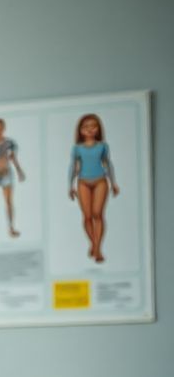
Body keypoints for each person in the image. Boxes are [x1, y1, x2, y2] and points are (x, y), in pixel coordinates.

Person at [68, 113, 119, 264]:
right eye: (86, 126)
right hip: (83, 182)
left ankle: (97, 249)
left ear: (98, 129)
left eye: (93, 126)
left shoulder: (103, 146)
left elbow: (108, 164)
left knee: (98, 214)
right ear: (80, 130)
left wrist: (114, 182)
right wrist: (70, 186)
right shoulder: (77, 148)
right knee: (87, 216)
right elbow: (72, 167)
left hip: (100, 181)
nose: (90, 129)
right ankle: (94, 245)